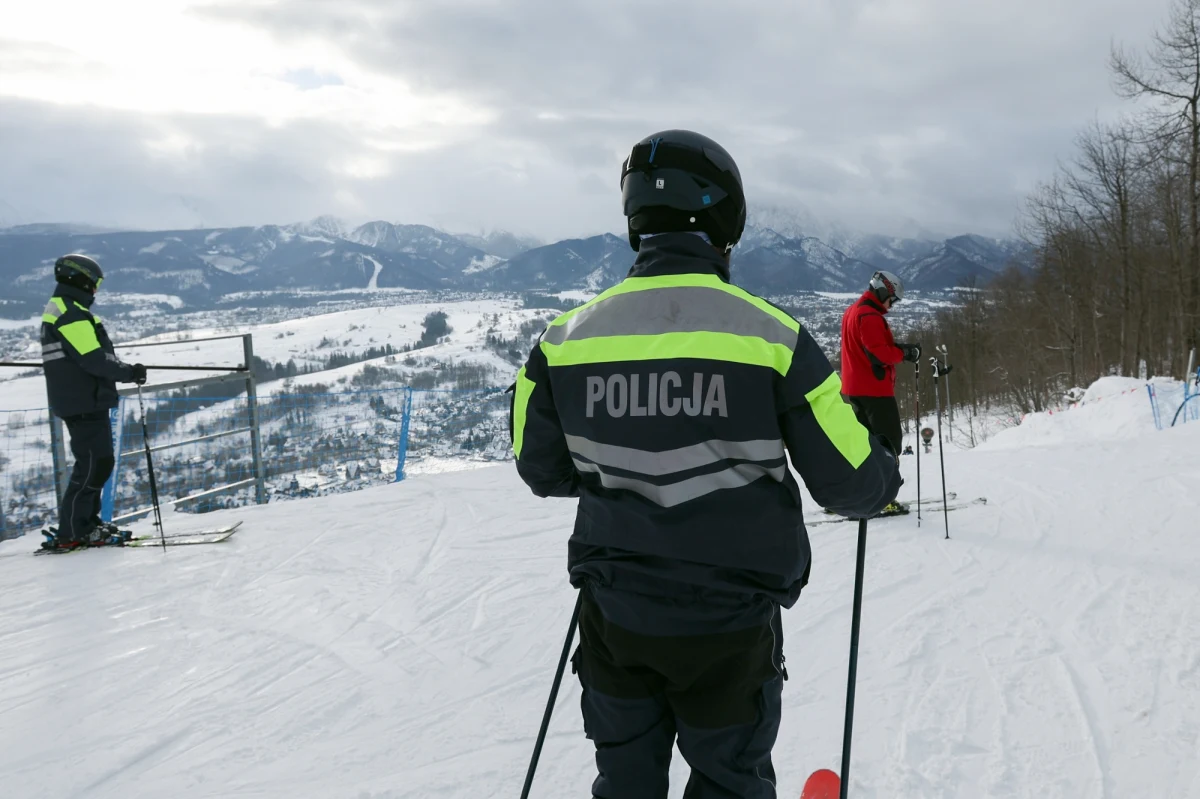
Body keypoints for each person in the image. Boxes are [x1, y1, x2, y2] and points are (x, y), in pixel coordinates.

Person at [510, 130, 900, 798]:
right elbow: (855, 482)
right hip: (729, 627)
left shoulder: (564, 341)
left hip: (615, 617)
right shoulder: (773, 339)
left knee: (624, 781)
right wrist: (884, 466)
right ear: (725, 219)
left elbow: (539, 465)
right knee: (728, 781)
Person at [40, 254, 146, 551]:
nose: (95, 291)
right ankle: (74, 530)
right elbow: (94, 359)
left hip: (82, 398)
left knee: (97, 463)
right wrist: (129, 372)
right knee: (93, 464)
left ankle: (86, 523)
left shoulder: (65, 308)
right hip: (83, 400)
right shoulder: (71, 314)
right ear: (81, 280)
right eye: (94, 284)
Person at [838, 270, 920, 515]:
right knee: (888, 445)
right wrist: (904, 354)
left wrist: (897, 348)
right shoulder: (869, 315)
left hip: (856, 388)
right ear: (882, 291)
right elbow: (878, 354)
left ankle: (854, 495)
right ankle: (883, 499)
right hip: (874, 390)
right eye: (892, 299)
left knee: (864, 445)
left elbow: (868, 349)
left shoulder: (853, 311)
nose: (892, 305)